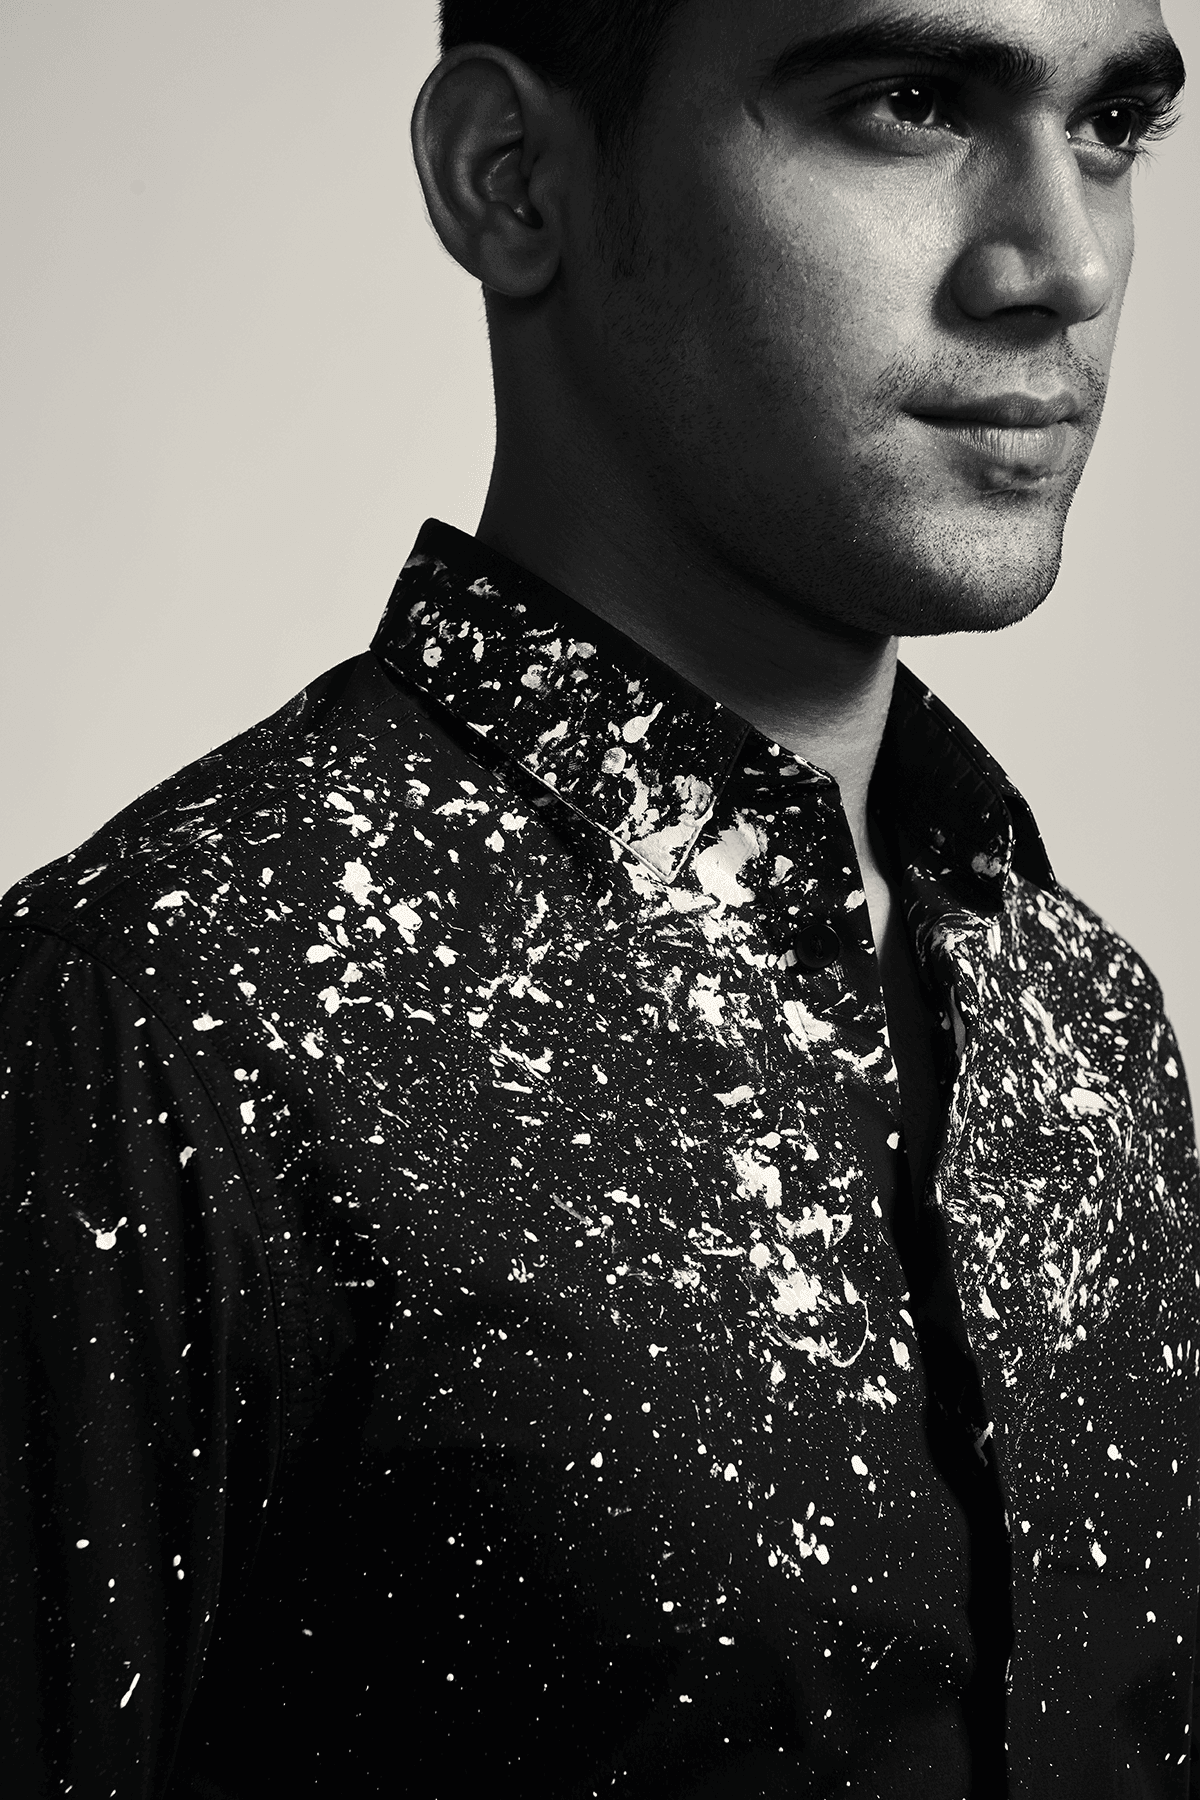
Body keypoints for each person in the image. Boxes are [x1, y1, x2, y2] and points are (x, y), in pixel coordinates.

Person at [0, 0, 1193, 1793]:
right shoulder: (151, 1020)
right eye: (911, 103)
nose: (1066, 265)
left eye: (1112, 126)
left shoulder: (1084, 1016)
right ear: (510, 177)